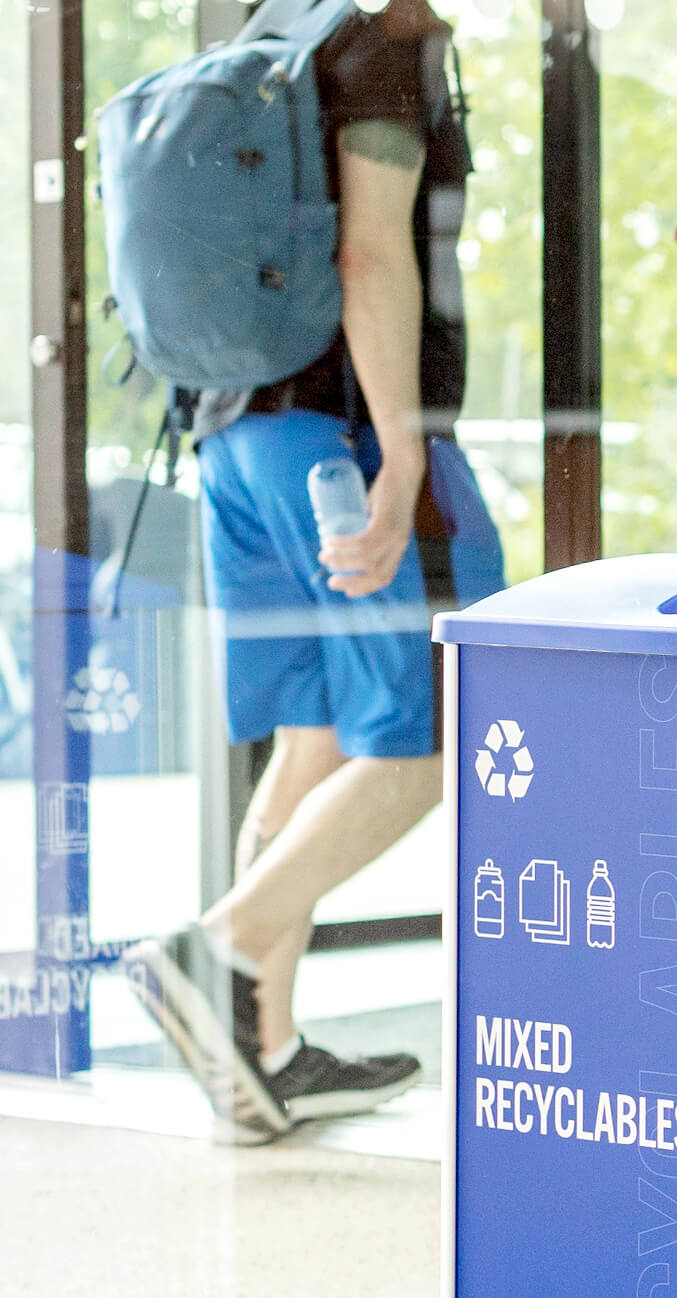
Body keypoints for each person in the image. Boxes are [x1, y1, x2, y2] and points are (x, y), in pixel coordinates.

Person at [125, 0, 504, 1143]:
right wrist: (398, 453)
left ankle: (264, 1048)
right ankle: (223, 945)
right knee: (439, 727)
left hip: (233, 438)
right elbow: (371, 250)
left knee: (316, 736)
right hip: (342, 441)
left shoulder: (272, 23)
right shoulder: (386, 38)